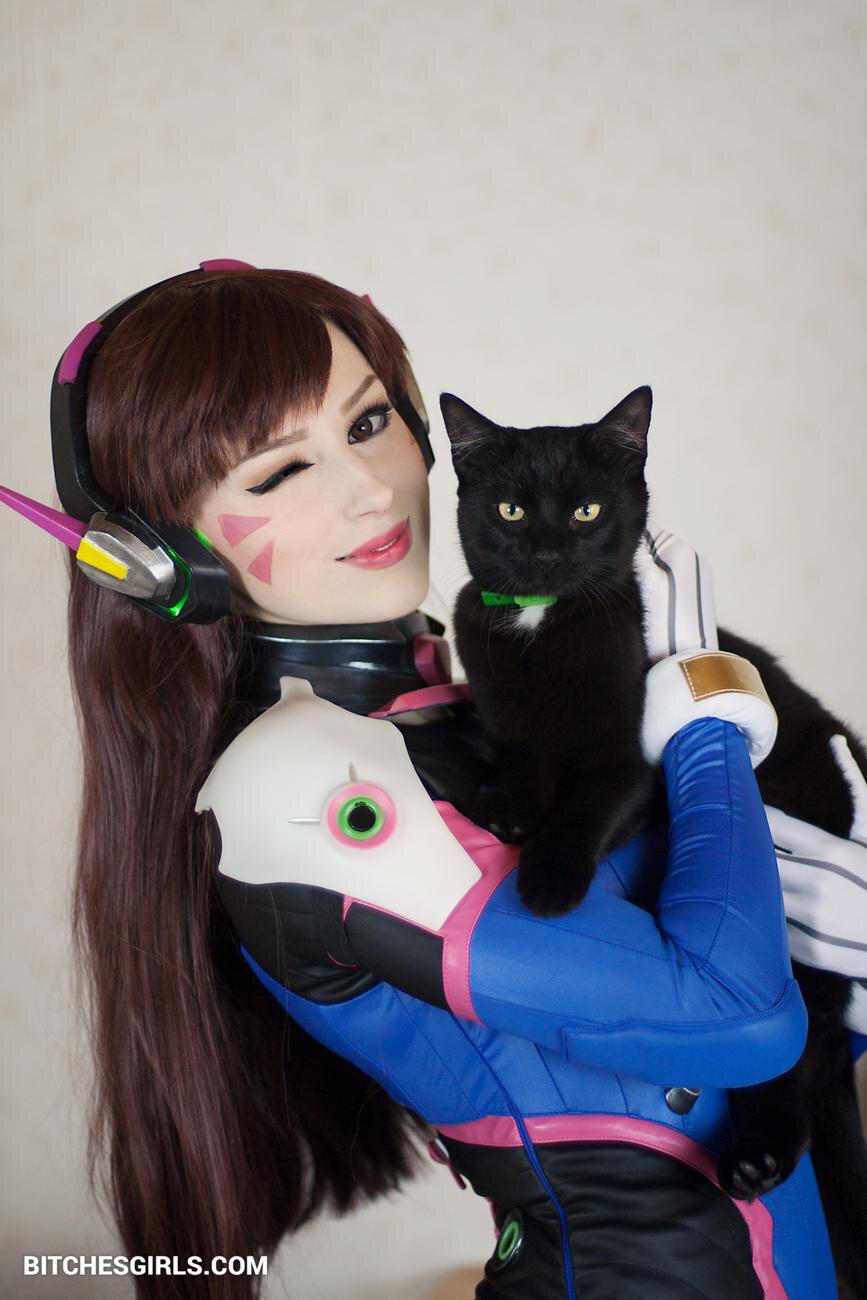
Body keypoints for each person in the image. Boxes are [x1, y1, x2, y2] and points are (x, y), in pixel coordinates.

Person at [3, 261, 865, 1298]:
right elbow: (736, 1018)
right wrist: (709, 715)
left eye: (369, 424)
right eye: (280, 473)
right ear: (157, 556)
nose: (371, 488)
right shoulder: (296, 782)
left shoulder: (443, 712)